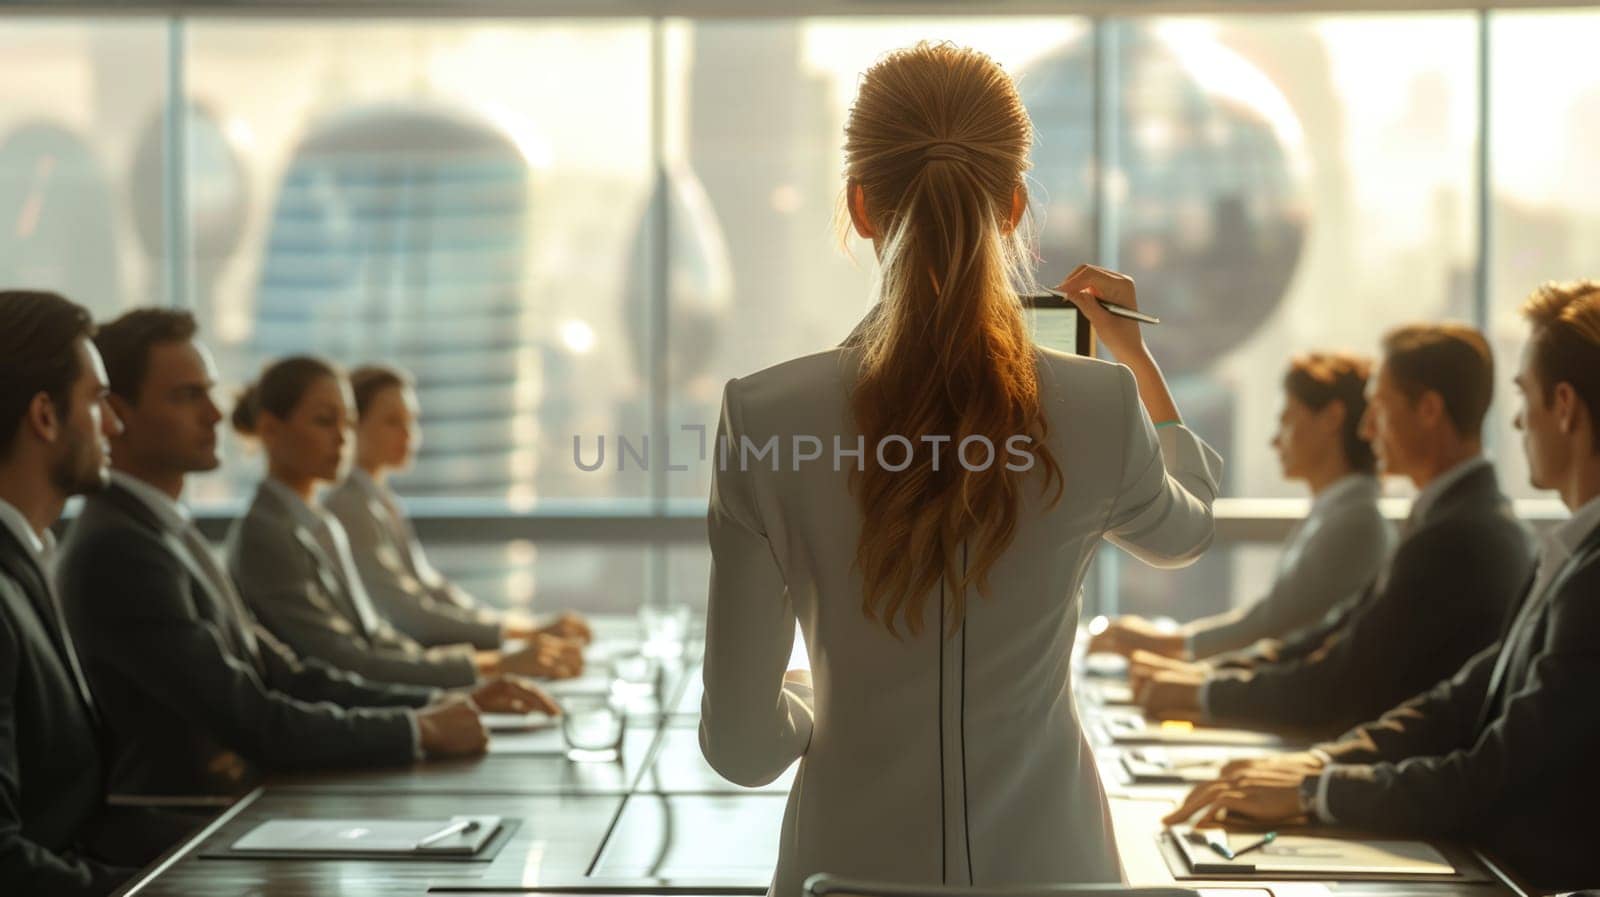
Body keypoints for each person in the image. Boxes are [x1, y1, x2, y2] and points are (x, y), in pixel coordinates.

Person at [697, 43, 1222, 893]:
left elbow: (742, 748)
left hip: (842, 871)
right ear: (1014, 207)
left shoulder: (764, 417)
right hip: (1061, 876)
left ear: (860, 206)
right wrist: (1137, 365)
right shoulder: (1099, 407)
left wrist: (815, 697)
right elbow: (1188, 529)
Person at [1165, 280, 1600, 893]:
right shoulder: (1564, 551)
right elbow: (1461, 697)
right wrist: (1320, 769)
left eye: (1524, 395)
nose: (1518, 417)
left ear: (1565, 405)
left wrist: (1316, 788)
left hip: (1514, 874)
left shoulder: (1551, 561)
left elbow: (1495, 771)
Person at [57, 309, 555, 798]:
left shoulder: (168, 530)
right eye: (188, 396)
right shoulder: (122, 549)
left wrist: (440, 702)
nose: (215, 413)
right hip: (198, 826)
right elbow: (252, 717)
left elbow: (287, 674)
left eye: (210, 392)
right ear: (117, 414)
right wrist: (419, 728)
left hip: (247, 800)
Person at [1135, 324, 1534, 739]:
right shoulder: (1459, 519)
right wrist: (1204, 681)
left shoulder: (1456, 536)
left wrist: (1203, 689)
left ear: (1429, 410)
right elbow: (1332, 635)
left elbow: (1340, 676)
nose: (1366, 431)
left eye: (1379, 407)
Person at [226, 356, 578, 689]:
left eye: (346, 421)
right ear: (271, 430)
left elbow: (376, 634)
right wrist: (495, 662)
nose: (341, 436)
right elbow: (348, 657)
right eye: (323, 421)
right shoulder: (268, 533)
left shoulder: (319, 521)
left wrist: (490, 663)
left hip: (378, 695)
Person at [0, 291, 174, 894]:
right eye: (98, 400)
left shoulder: (28, 560)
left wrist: (224, 851)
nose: (115, 424)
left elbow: (75, 813)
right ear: (45, 416)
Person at [1090, 352, 1392, 661]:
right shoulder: (1338, 512)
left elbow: (1273, 623)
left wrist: (1161, 644)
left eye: (1287, 419)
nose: (1275, 440)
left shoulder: (1354, 521)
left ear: (1331, 418)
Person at [325, 364, 590, 655]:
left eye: (411, 421)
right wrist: (520, 634)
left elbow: (431, 589)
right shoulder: (350, 508)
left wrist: (520, 629)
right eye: (392, 422)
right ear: (355, 426)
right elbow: (408, 615)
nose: (409, 435)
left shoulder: (380, 499)